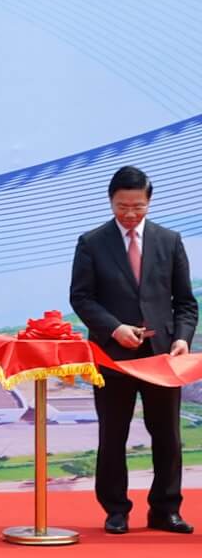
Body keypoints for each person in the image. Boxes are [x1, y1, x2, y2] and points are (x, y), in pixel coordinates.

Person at [69, 165, 196, 535]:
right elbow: (81, 297)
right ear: (111, 201)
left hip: (161, 356)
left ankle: (166, 510)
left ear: (149, 202)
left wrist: (182, 338)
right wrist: (114, 328)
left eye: (137, 206)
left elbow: (185, 303)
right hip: (113, 355)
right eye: (122, 206)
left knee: (168, 435)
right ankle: (116, 510)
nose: (129, 213)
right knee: (113, 435)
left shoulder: (169, 241)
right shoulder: (92, 242)